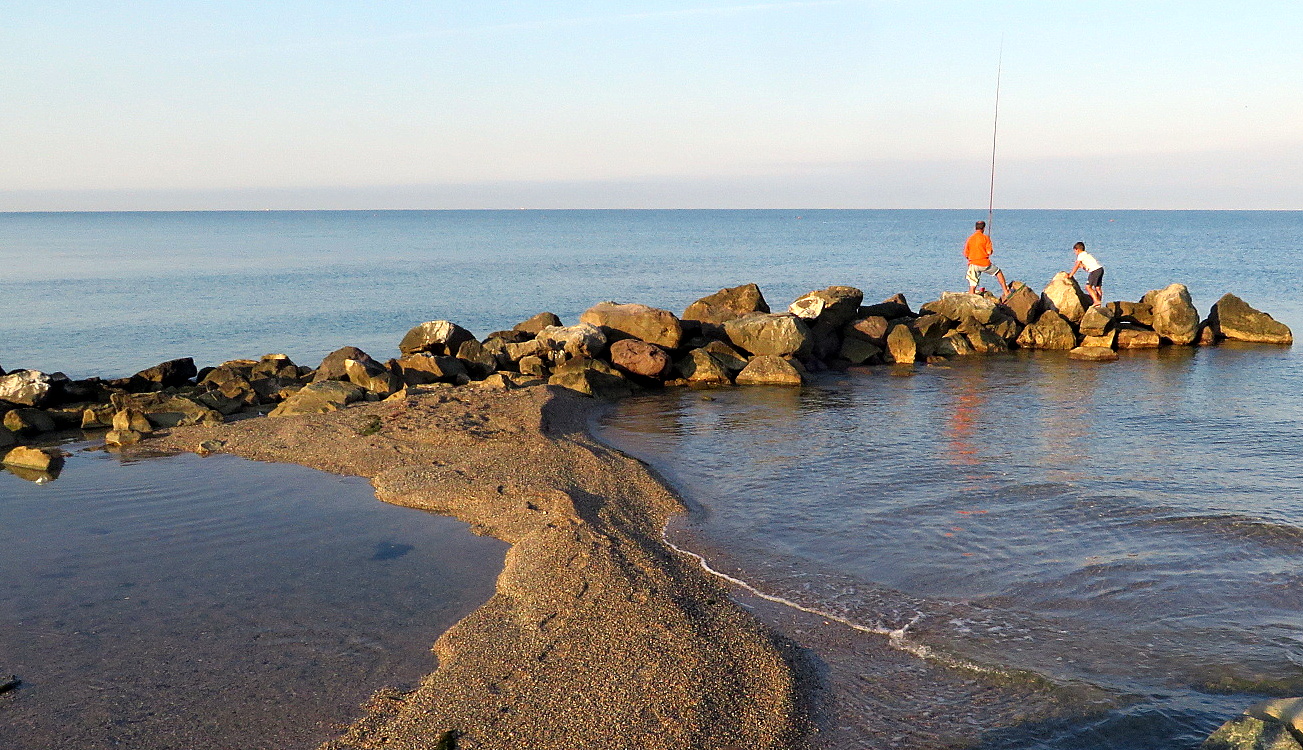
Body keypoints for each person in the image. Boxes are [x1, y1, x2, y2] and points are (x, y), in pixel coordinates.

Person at [963, 221, 1010, 298]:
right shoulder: (985, 238)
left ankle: (971, 297)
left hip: (973, 264)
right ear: (983, 228)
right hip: (984, 263)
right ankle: (1006, 291)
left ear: (975, 228)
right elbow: (989, 252)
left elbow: (965, 254)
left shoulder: (970, 239)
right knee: (998, 272)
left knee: (973, 283)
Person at [1067, 241, 1105, 306]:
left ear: (1077, 250)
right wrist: (1081, 265)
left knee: (1088, 287)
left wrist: (1070, 275)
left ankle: (1096, 301)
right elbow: (1086, 268)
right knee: (1098, 288)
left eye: (1075, 251)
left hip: (1094, 271)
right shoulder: (1087, 255)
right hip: (1100, 269)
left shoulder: (1081, 255)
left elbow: (1076, 266)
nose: (1075, 253)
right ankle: (1099, 302)